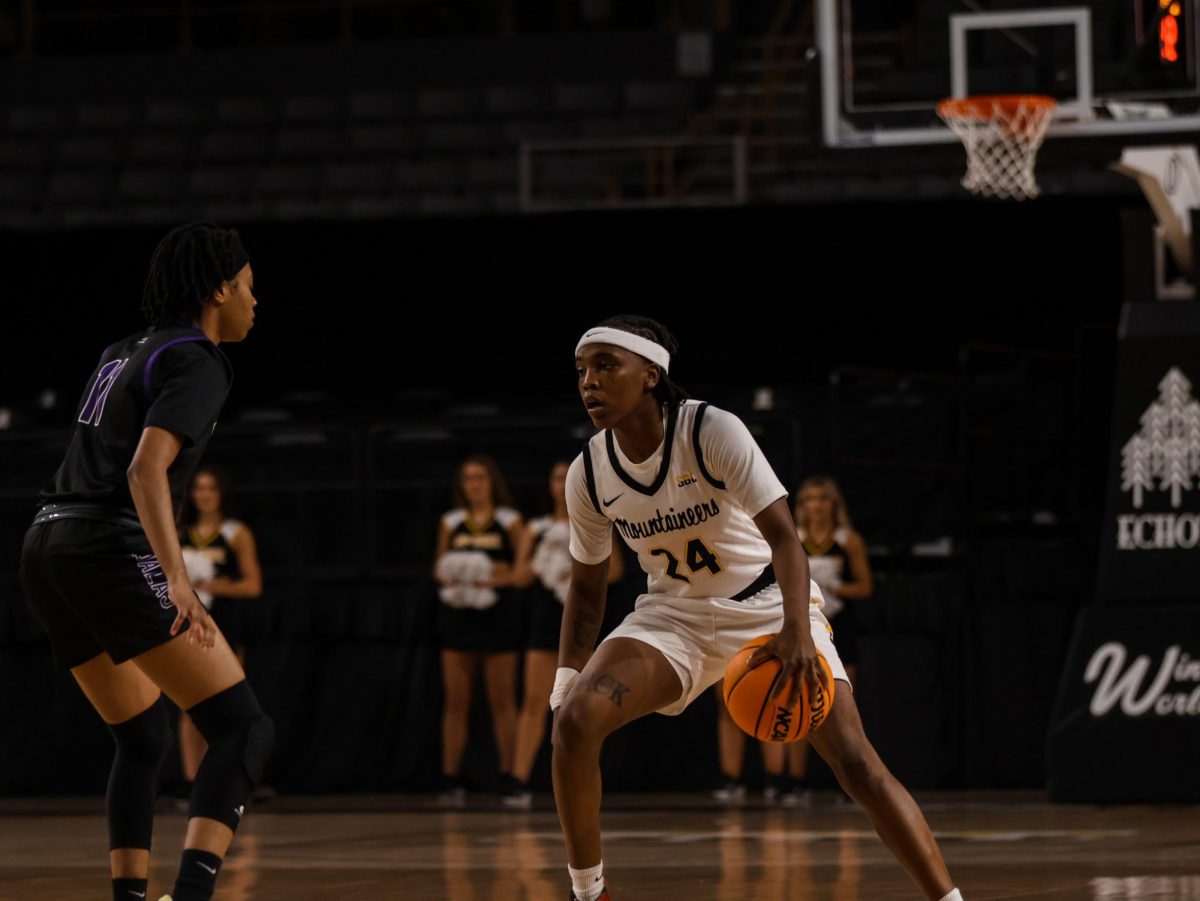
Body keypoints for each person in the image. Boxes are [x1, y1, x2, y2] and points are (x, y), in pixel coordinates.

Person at [551, 315, 961, 901]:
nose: (589, 382)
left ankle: (948, 898)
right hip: (675, 617)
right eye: (582, 371)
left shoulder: (712, 429)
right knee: (574, 724)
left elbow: (786, 540)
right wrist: (567, 678)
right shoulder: (587, 473)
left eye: (606, 366)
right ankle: (588, 894)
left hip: (767, 602)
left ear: (649, 375)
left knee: (855, 763)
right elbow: (588, 589)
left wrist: (797, 629)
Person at [18, 221, 271, 901]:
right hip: (106, 546)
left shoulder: (120, 350)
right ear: (218, 289)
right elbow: (144, 468)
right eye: (249, 287)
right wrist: (179, 580)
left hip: (45, 545)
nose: (256, 301)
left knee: (141, 733)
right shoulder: (200, 358)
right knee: (243, 726)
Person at [714, 474, 874, 805]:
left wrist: (834, 587)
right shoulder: (791, 537)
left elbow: (865, 586)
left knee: (833, 705)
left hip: (837, 622)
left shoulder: (847, 540)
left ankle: (836, 780)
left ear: (834, 504)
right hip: (795, 622)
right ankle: (776, 779)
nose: (816, 505)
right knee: (787, 697)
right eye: (809, 499)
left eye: (822, 498)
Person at [504, 461, 623, 809]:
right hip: (545, 624)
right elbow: (519, 577)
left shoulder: (597, 523)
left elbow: (614, 572)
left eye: (565, 477)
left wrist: (576, 568)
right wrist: (544, 560)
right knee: (534, 702)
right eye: (556, 478)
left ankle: (580, 780)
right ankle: (518, 779)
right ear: (551, 486)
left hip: (582, 626)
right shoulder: (535, 528)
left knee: (582, 706)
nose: (561, 484)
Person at [433, 454, 528, 804]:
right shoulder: (451, 522)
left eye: (480, 478)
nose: (474, 485)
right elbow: (439, 569)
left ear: (492, 482)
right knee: (456, 700)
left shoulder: (509, 521)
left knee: (501, 699)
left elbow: (519, 572)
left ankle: (510, 774)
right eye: (468, 478)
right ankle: (449, 777)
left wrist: (492, 574)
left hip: (498, 619)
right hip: (459, 617)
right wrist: (462, 573)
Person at [177, 466, 264, 796]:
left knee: (229, 707)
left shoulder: (235, 533)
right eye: (199, 487)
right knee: (189, 706)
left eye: (211, 487)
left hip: (225, 624)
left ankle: (229, 782)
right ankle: (190, 783)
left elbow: (253, 586)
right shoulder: (177, 530)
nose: (205, 494)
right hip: (186, 625)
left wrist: (214, 586)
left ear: (222, 493)